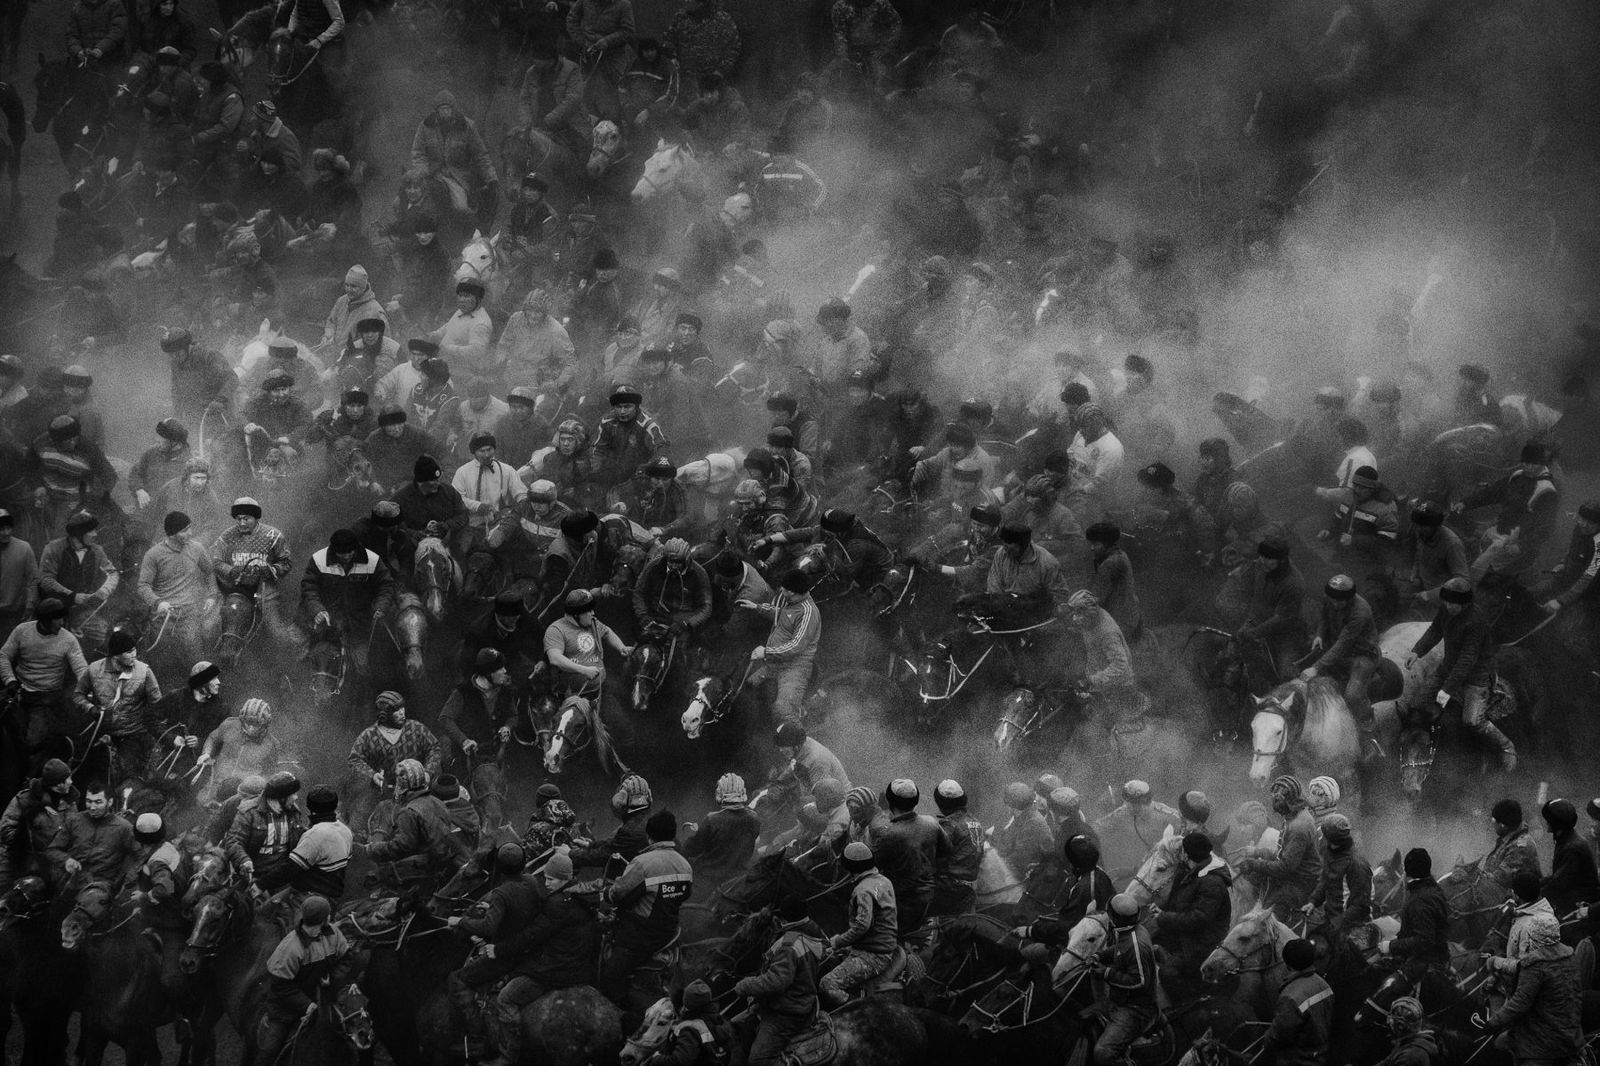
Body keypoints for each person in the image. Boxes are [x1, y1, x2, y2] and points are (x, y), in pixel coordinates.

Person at [1409, 577, 1515, 770]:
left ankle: (1506, 745)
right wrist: (1417, 651)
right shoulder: (1446, 610)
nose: (1449, 606)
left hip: (1475, 677)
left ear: (1465, 603)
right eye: (1446, 602)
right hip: (1447, 668)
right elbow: (1435, 630)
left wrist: (1447, 690)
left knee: (1472, 720)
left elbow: (1468, 659)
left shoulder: (1476, 622)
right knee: (1416, 706)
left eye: (1454, 604)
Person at [598, 810, 693, 1005]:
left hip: (640, 936)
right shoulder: (685, 865)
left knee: (611, 974)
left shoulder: (643, 863)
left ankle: (623, 1012)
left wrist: (606, 892)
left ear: (649, 837)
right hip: (670, 932)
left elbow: (618, 894)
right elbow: (685, 895)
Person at [256, 896, 360, 1066]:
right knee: (269, 1050)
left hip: (325, 996)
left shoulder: (334, 933)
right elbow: (281, 987)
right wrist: (307, 1005)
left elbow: (346, 959)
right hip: (287, 1008)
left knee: (359, 1022)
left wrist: (332, 979)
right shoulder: (290, 948)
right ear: (324, 918)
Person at [734, 892, 827, 1066]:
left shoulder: (789, 944)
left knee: (758, 1060)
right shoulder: (810, 932)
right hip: (798, 1001)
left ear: (784, 918)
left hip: (786, 1013)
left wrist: (746, 985)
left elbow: (777, 982)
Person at [1477, 914, 1583, 1066]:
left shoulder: (1535, 966)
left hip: (1542, 1043)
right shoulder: (1571, 956)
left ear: (1533, 936)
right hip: (1572, 1036)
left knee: (1499, 1045)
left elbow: (1519, 1004)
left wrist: (1492, 1024)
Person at [211, 497, 304, 654]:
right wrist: (232, 570)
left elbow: (286, 562)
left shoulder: (273, 536)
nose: (241, 523)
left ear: (255, 518)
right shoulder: (227, 536)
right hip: (236, 589)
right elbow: (215, 561)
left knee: (277, 632)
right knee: (211, 627)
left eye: (246, 519)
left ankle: (291, 662)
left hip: (264, 591)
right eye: (238, 519)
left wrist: (270, 570)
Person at [299, 528, 398, 675]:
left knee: (363, 667)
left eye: (350, 553)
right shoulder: (318, 560)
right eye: (341, 554)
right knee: (298, 656)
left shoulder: (373, 560)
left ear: (356, 547)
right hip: (324, 625)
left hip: (359, 625)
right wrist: (317, 610)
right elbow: (309, 588)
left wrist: (380, 607)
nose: (346, 557)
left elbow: (386, 586)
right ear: (333, 550)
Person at [1301, 574, 1381, 756]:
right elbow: (1324, 618)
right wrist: (1319, 634)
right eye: (1332, 600)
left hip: (1361, 654)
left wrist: (1316, 667)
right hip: (1337, 649)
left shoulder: (1361, 611)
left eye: (1340, 601)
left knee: (1352, 696)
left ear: (1350, 598)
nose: (1335, 604)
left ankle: (1371, 735)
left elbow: (1344, 643)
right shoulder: (1330, 599)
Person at [73, 627, 163, 787]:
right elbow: (78, 695)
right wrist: (89, 708)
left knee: (125, 773)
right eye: (129, 652)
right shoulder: (94, 669)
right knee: (83, 767)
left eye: (134, 650)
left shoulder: (144, 672)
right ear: (116, 654)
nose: (134, 655)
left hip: (132, 735)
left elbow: (158, 705)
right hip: (101, 731)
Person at [0, 598, 90, 755]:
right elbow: (3, 655)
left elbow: (81, 668)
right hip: (17, 691)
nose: (61, 623)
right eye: (57, 619)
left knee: (31, 743)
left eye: (63, 618)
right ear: (44, 620)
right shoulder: (22, 630)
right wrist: (10, 680)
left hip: (46, 698)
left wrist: (89, 686)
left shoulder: (68, 640)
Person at [347, 692, 442, 832]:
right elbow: (354, 759)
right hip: (383, 794)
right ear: (384, 714)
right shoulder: (369, 735)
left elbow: (434, 748)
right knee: (357, 824)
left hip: (417, 792)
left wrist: (427, 772)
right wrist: (372, 776)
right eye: (397, 710)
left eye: (402, 708)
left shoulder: (416, 729)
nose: (402, 713)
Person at [1154, 831, 1232, 1002]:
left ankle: (1191, 1003)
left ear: (1189, 855)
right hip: (1188, 936)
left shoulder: (1212, 882)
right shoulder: (1197, 870)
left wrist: (1164, 917)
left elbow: (1199, 919)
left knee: (1168, 973)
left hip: (1202, 943)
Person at [365, 759, 470, 882]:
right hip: (446, 863)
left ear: (401, 785)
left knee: (373, 879)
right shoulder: (437, 802)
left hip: (426, 869)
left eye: (397, 780)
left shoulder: (409, 811)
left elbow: (401, 847)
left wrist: (371, 849)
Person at [820, 841, 897, 1006]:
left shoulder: (862, 890)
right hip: (879, 945)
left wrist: (838, 941)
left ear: (850, 867)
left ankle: (858, 1007)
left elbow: (863, 925)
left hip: (872, 955)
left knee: (827, 983)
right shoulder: (884, 880)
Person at [410, 91, 500, 231]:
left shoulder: (467, 126)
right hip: (432, 172)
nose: (445, 112)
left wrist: (491, 177)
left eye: (448, 108)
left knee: (460, 207)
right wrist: (421, 171)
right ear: (436, 111)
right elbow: (418, 153)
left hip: (457, 174)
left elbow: (480, 155)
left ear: (453, 109)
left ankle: (466, 231)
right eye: (441, 109)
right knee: (408, 197)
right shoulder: (425, 126)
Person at [1238, 775, 1321, 920]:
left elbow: (1285, 867)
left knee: (1262, 923)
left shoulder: (1299, 826)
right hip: (1293, 879)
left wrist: (1253, 864)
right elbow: (1284, 854)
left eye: (1277, 799)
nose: (1274, 802)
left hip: (1300, 885)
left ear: (1288, 799)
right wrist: (1258, 852)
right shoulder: (1293, 817)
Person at [745, 570, 820, 728]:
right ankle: (758, 729)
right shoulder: (791, 603)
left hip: (795, 669)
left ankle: (795, 743)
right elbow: (781, 615)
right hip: (775, 664)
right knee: (748, 688)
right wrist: (757, 607)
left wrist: (766, 652)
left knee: (782, 710)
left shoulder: (808, 612)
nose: (781, 591)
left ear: (793, 592)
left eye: (785, 589)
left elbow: (796, 646)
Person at [1091, 894, 1159, 1066]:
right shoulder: (1131, 930)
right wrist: (1100, 955)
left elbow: (1139, 981)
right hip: (1120, 999)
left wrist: (1106, 973)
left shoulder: (1137, 945)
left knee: (1102, 1052)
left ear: (1114, 918)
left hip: (1135, 1009)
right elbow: (1121, 948)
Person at [869, 778, 942, 935]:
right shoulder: (932, 823)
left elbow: (873, 865)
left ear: (890, 803)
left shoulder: (890, 833)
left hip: (902, 900)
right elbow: (945, 852)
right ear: (915, 801)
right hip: (929, 894)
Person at [258, 784, 351, 899]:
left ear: (310, 806)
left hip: (310, 895)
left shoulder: (314, 835)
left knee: (264, 912)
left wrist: (260, 885)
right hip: (335, 893)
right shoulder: (345, 830)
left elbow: (290, 869)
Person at [0, 759, 78, 891]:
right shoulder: (25, 800)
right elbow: (5, 829)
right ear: (57, 784)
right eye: (67, 778)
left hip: (52, 866)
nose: (71, 781)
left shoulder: (70, 803)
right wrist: (26, 837)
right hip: (19, 860)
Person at [47, 783, 140, 889]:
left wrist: (127, 880)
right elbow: (52, 850)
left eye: (98, 802)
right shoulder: (74, 821)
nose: (92, 807)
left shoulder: (123, 827)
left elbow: (141, 856)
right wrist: (66, 860)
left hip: (101, 885)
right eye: (89, 801)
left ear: (109, 802)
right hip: (72, 880)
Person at [681, 773, 761, 896]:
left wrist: (698, 833)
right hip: (738, 880)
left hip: (706, 882)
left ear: (720, 793)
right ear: (743, 792)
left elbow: (691, 850)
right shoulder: (754, 819)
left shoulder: (712, 819)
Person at [438, 649, 518, 771]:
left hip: (497, 758)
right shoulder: (463, 692)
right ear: (488, 673)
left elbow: (513, 715)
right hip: (467, 760)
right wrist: (464, 741)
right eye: (500, 668)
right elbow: (445, 719)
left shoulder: (506, 692)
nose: (505, 671)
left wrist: (508, 726)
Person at [544, 590, 632, 699]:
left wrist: (621, 647)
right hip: (573, 695)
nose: (593, 613)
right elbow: (555, 658)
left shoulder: (593, 623)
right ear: (576, 614)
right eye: (588, 611)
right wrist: (584, 670)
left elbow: (607, 632)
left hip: (600, 687)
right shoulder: (556, 630)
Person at [1260, 938, 1334, 1066]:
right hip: (1321, 1054)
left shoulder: (1290, 997)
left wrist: (1266, 1040)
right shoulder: (1324, 985)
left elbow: (1279, 1036)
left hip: (1297, 1060)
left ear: (1287, 963)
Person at [225, 770, 306, 887]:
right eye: (293, 794)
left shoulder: (293, 811)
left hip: (281, 878)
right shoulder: (250, 812)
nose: (296, 797)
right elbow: (234, 840)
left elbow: (301, 835)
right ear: (281, 797)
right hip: (253, 876)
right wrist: (244, 860)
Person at [1381, 848, 1449, 981]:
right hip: (1433, 957)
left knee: (1378, 991)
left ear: (1407, 871)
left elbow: (1423, 941)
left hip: (1423, 964)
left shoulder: (1420, 900)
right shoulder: (1433, 889)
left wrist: (1390, 946)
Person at [196, 699, 283, 798]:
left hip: (242, 795)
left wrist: (256, 789)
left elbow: (269, 773)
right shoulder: (229, 725)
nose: (251, 728)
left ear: (265, 722)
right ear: (242, 718)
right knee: (200, 802)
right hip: (214, 785)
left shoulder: (272, 744)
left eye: (256, 723)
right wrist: (206, 753)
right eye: (248, 722)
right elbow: (213, 738)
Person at [1540, 798, 1599, 936]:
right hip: (1572, 901)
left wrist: (1534, 897)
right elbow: (1558, 877)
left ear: (1556, 824)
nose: (1546, 822)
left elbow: (1559, 884)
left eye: (1549, 819)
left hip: (1581, 906)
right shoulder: (1566, 839)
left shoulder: (1572, 847)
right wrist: (1535, 884)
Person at [931, 779, 982, 917]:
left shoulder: (949, 825)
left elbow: (934, 856)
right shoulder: (975, 821)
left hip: (948, 889)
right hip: (970, 889)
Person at [433, 281, 496, 382]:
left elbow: (476, 352)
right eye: (460, 295)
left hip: (461, 376)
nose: (461, 300)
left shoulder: (480, 324)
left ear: (478, 299)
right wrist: (434, 335)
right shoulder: (462, 311)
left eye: (466, 296)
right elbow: (448, 327)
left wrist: (448, 348)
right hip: (445, 367)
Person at [1484, 798, 1543, 890]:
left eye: (1494, 822)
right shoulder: (1507, 840)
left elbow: (1502, 877)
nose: (1493, 826)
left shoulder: (1522, 845)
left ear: (1502, 825)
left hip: (1519, 900)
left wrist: (1479, 877)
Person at [0, 510, 39, 636]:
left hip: (14, 614)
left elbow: (32, 580)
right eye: (1, 529)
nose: (6, 533)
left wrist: (30, 604)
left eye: (8, 528)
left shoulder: (24, 548)